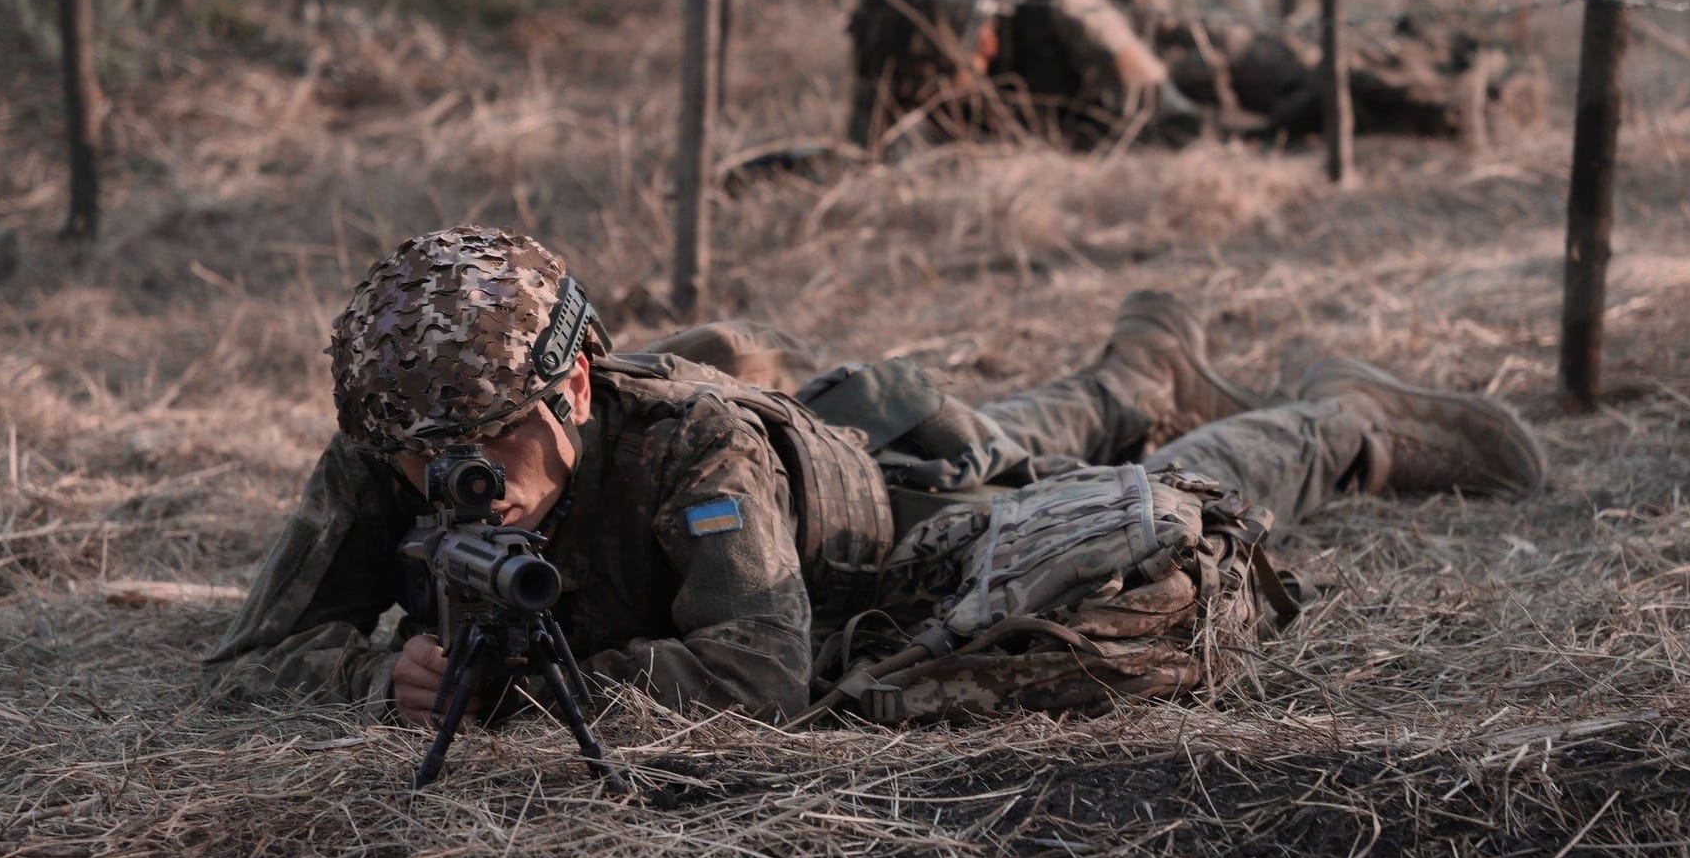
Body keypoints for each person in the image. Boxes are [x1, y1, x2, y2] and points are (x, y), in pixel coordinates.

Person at [206, 224, 1545, 726]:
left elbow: (756, 676)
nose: (448, 483)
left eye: (480, 451)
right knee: (1011, 415)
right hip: (836, 431)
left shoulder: (698, 451)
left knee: (1122, 500)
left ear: (569, 388)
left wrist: (525, 689)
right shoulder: (410, 434)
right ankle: (1143, 370)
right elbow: (258, 654)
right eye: (413, 461)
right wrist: (375, 674)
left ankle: (1343, 420)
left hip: (877, 522)